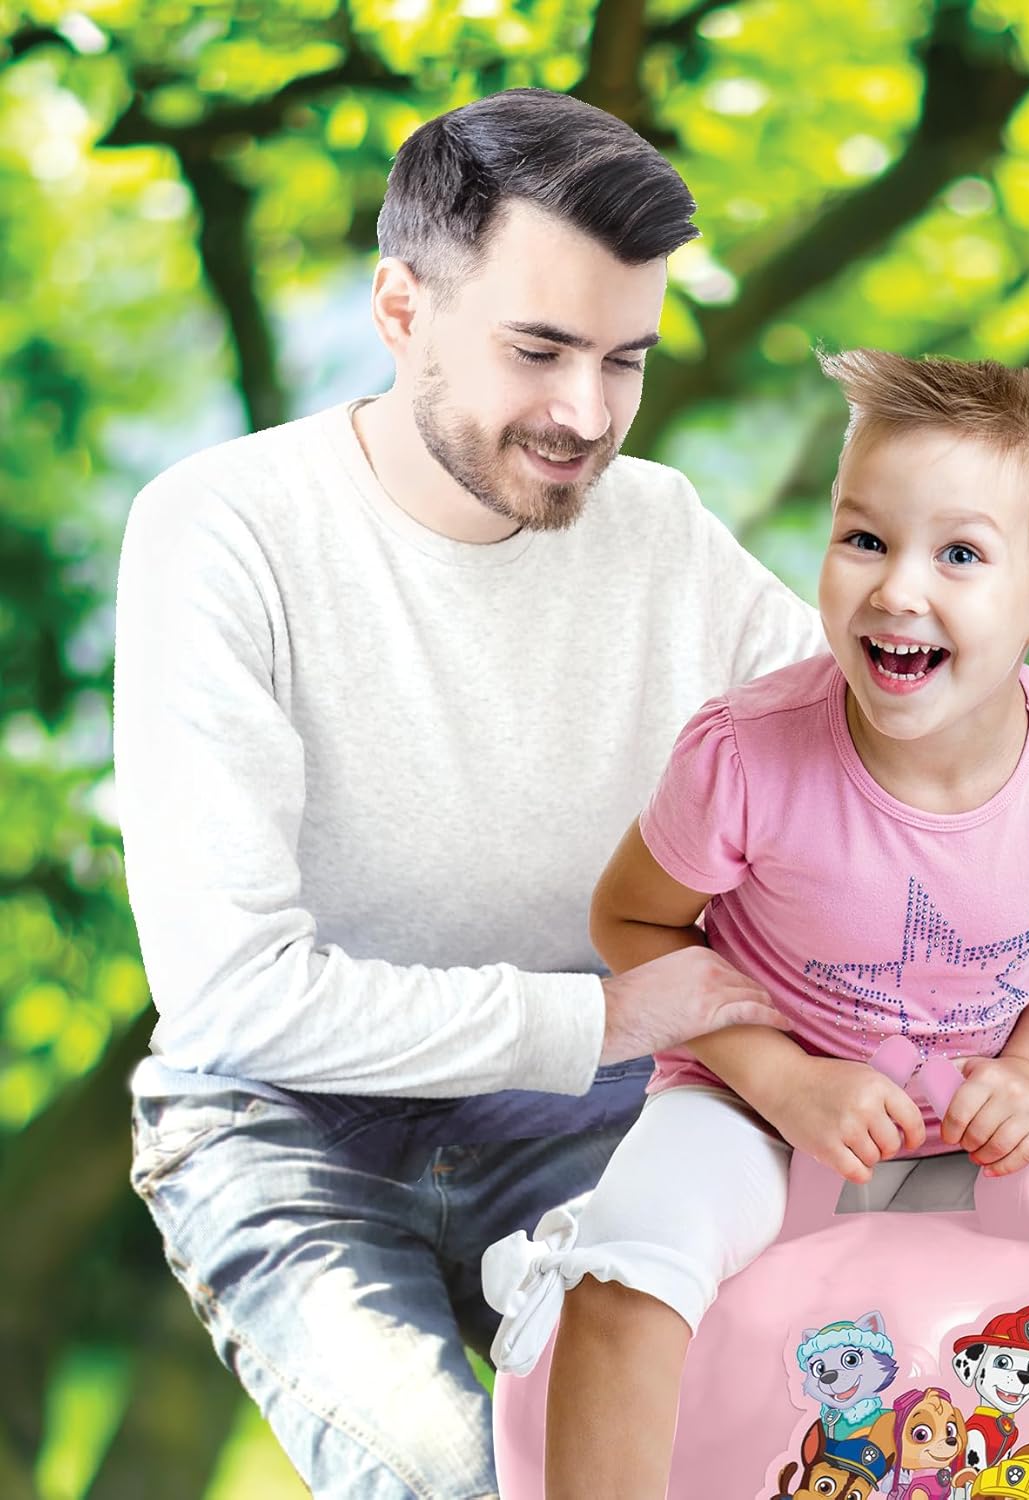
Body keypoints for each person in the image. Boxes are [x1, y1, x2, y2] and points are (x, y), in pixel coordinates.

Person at [113, 88, 825, 1499]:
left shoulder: (658, 532)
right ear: (402, 308)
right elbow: (231, 995)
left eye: (623, 360)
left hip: (578, 1120)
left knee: (764, 1445)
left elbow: (868, 749)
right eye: (539, 350)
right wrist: (611, 1015)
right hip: (288, 1126)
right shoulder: (224, 529)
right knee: (451, 1480)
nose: (585, 414)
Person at [484, 350, 1029, 1497]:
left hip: (980, 1109)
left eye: (959, 554)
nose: (898, 589)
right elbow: (632, 919)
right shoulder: (746, 755)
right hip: (750, 1112)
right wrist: (780, 1079)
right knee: (623, 1266)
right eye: (863, 538)